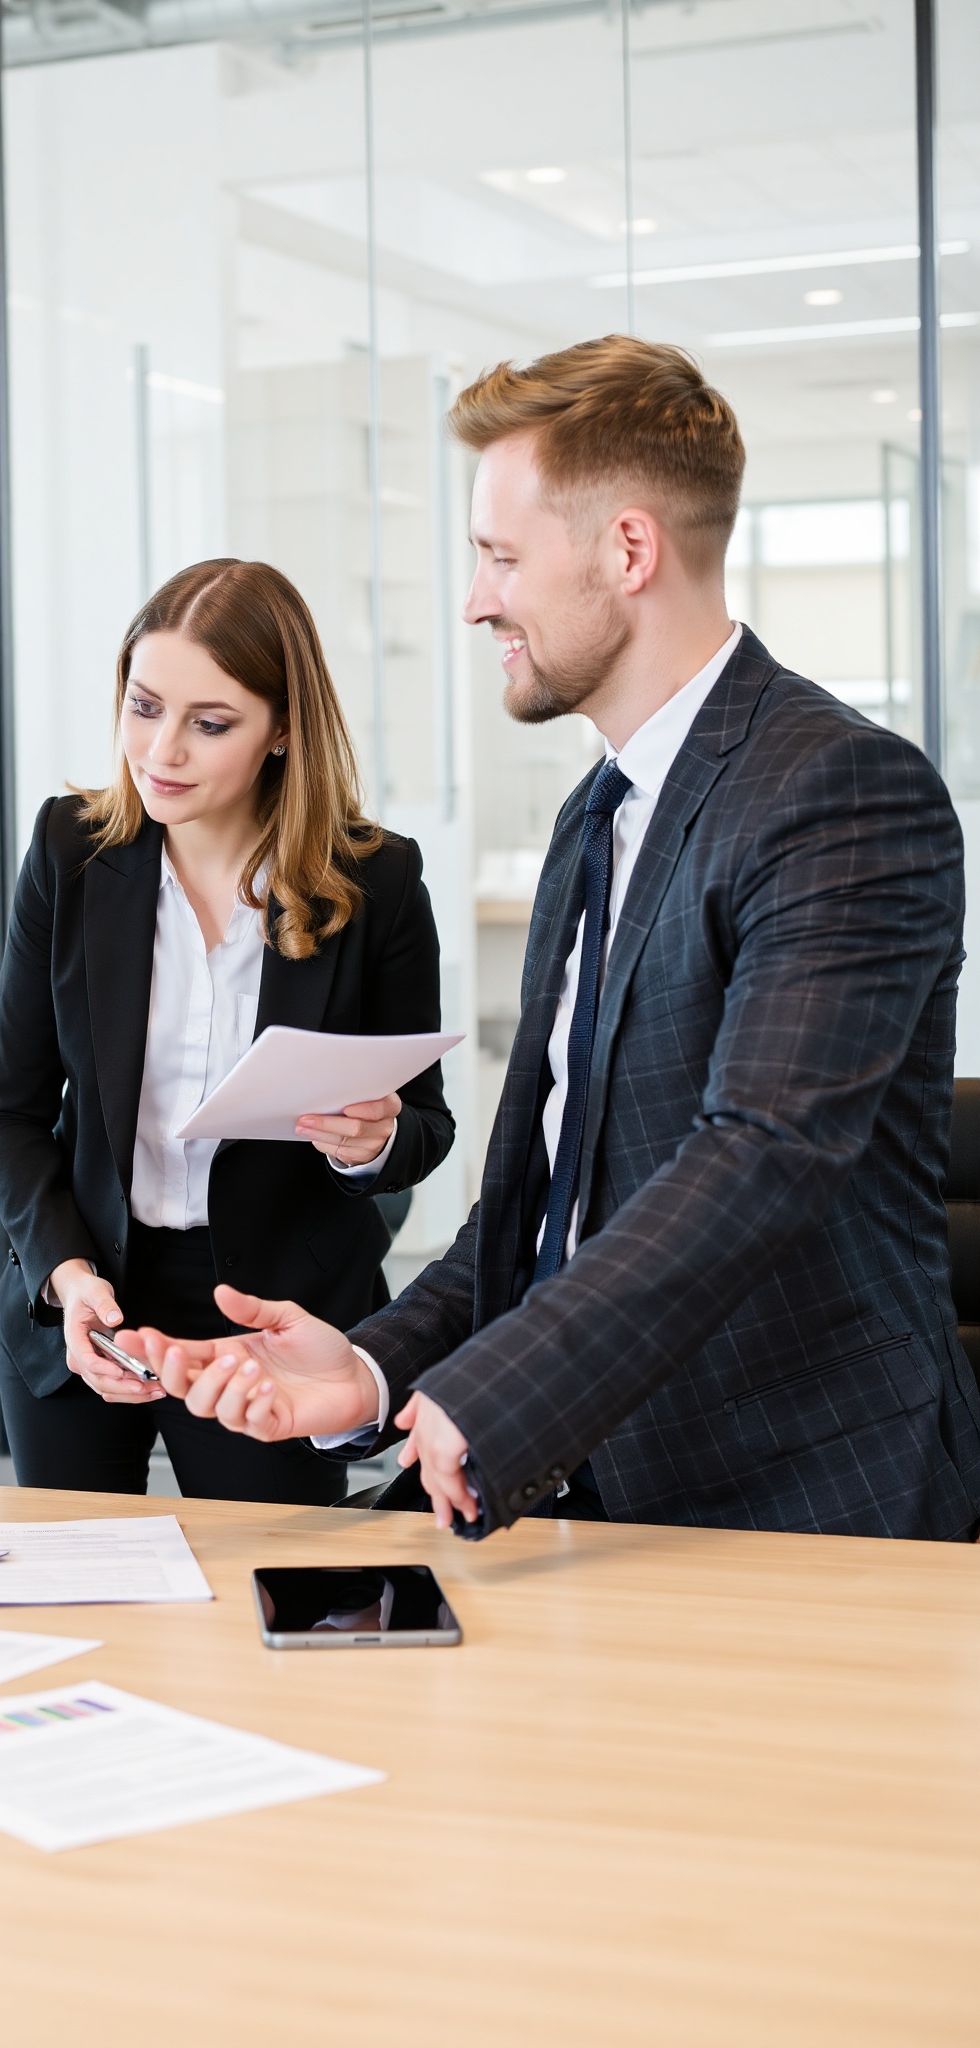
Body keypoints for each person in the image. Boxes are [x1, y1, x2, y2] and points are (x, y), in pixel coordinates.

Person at [132, 338, 980, 1543]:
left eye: (498, 556)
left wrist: (493, 1389)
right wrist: (370, 1372)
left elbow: (760, 1157)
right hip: (598, 1492)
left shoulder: (837, 791)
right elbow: (540, 1197)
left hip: (798, 1497)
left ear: (625, 550)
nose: (477, 598)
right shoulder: (596, 816)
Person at [0, 559, 454, 1501]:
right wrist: (66, 1278)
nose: (162, 752)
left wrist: (374, 1141)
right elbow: (12, 1110)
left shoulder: (378, 882)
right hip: (86, 1285)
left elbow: (425, 1131)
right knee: (75, 1585)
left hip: (268, 1309)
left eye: (210, 724)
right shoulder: (71, 853)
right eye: (144, 706)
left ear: (283, 731)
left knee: (263, 1601)